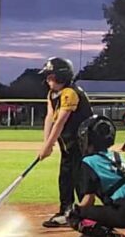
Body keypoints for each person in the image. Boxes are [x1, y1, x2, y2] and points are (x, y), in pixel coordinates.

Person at [38, 57, 94, 228]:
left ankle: (84, 214)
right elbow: (50, 118)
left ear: (62, 77)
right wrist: (46, 143)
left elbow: (61, 121)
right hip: (68, 145)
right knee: (65, 177)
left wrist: (48, 146)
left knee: (79, 177)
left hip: (82, 144)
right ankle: (66, 210)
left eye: (51, 77)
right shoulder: (53, 94)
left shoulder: (70, 93)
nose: (48, 80)